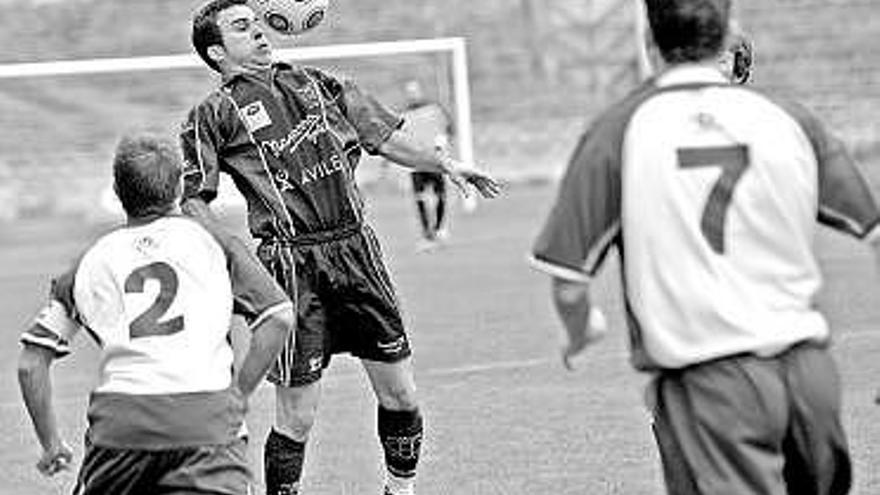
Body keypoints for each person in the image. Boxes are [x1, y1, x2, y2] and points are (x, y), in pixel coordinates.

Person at [529, 0, 880, 493]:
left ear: (649, 43)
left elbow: (568, 283)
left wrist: (581, 330)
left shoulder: (620, 130)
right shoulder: (790, 120)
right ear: (727, 37)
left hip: (712, 385)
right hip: (810, 377)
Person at [181, 2, 500, 494]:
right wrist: (225, 258)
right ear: (217, 51)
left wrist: (447, 165)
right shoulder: (212, 115)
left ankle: (401, 490)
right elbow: (193, 200)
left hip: (356, 250)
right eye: (243, 28)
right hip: (290, 263)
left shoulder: (320, 85)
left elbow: (387, 138)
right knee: (298, 416)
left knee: (400, 393)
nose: (261, 34)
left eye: (260, 23)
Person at [17, 133, 295, 494]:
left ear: (117, 191)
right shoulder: (214, 244)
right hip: (206, 423)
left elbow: (30, 363)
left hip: (120, 429)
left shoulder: (90, 262)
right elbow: (278, 316)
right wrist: (238, 397)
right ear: (180, 186)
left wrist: (51, 443)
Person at [399, 79, 454, 250]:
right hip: (415, 164)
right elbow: (400, 139)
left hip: (434, 159)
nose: (412, 94)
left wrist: (443, 141)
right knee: (420, 198)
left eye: (414, 91)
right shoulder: (404, 116)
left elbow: (449, 129)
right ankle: (427, 235)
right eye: (409, 92)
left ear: (420, 91)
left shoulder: (434, 110)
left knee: (440, 195)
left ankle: (439, 229)